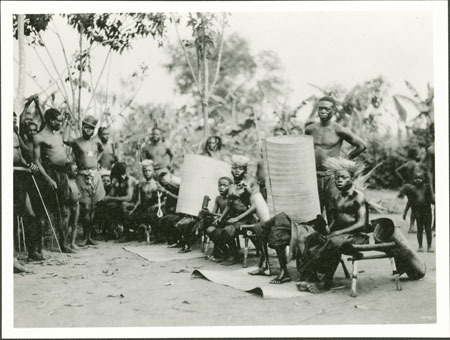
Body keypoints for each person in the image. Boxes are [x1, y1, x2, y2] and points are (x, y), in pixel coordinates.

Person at [296, 157, 369, 293]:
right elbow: (336, 221)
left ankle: (325, 282)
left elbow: (362, 223)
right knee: (313, 238)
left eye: (343, 177)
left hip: (357, 236)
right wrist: (326, 231)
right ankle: (311, 276)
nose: (339, 180)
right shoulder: (337, 198)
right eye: (336, 178)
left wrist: (337, 233)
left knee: (334, 242)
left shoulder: (359, 197)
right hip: (340, 236)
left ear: (352, 179)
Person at [305, 96, 366, 226]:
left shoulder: (339, 130)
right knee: (313, 214)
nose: (322, 111)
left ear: (333, 110)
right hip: (313, 176)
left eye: (326, 109)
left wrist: (343, 162)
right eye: (320, 108)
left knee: (334, 211)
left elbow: (361, 145)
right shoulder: (310, 129)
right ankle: (316, 243)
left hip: (332, 177)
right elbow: (303, 149)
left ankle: (334, 241)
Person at [33, 108, 73, 253]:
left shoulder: (57, 136)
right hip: (50, 173)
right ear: (50, 120)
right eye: (59, 121)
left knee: (65, 209)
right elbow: (36, 161)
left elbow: (66, 140)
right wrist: (48, 179)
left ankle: (64, 244)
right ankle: (41, 246)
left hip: (62, 174)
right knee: (48, 210)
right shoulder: (39, 137)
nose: (60, 123)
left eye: (62, 121)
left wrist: (68, 122)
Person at [63, 115, 105, 246]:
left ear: (93, 130)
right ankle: (83, 237)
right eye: (86, 128)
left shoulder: (96, 142)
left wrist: (96, 162)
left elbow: (101, 151)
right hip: (82, 176)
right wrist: (67, 124)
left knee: (93, 208)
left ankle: (89, 237)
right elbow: (64, 139)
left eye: (91, 129)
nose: (88, 131)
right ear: (82, 128)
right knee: (85, 207)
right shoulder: (76, 142)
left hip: (95, 176)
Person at [218, 155, 259, 266]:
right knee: (215, 229)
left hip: (246, 218)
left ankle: (234, 256)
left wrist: (237, 218)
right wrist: (221, 217)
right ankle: (231, 251)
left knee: (227, 230)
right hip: (233, 216)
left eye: (240, 168)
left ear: (244, 171)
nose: (237, 171)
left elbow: (254, 207)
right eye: (235, 168)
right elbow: (229, 205)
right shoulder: (231, 186)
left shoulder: (247, 185)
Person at [14, 112, 42, 264]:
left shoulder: (29, 140)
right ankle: (16, 254)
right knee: (22, 214)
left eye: (34, 129)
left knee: (33, 215)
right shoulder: (19, 137)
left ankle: (33, 251)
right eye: (28, 129)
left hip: (27, 178)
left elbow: (23, 155)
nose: (32, 132)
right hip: (18, 178)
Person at [103, 162, 138, 242]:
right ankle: (112, 230)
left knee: (123, 205)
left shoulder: (130, 180)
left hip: (135, 203)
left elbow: (129, 198)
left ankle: (127, 234)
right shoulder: (117, 180)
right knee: (107, 205)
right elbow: (110, 194)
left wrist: (111, 198)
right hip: (123, 202)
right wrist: (114, 185)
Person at [128, 160, 162, 241]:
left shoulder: (157, 185)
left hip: (154, 209)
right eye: (145, 171)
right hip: (143, 208)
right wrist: (134, 208)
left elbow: (164, 200)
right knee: (130, 216)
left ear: (153, 172)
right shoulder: (141, 185)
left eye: (149, 170)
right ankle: (138, 233)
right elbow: (139, 200)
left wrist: (156, 206)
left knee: (154, 218)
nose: (147, 172)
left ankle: (155, 234)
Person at [402, 170, 434, 252]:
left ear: (423, 179)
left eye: (420, 178)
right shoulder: (412, 189)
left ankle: (429, 246)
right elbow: (409, 202)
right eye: (416, 178)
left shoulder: (427, 188)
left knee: (428, 230)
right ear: (413, 180)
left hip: (427, 211)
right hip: (418, 212)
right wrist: (405, 212)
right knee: (419, 229)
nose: (418, 180)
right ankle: (420, 246)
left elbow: (431, 199)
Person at [203, 177, 233, 260]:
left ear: (230, 187)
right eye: (220, 185)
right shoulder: (218, 198)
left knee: (219, 232)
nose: (221, 187)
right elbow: (214, 213)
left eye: (224, 185)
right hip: (220, 221)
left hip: (229, 221)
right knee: (209, 229)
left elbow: (229, 214)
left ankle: (224, 252)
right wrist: (208, 213)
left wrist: (218, 216)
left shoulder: (231, 198)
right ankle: (223, 249)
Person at [396, 147, 421, 233]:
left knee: (411, 202)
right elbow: (417, 176)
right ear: (416, 155)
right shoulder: (415, 164)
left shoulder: (407, 163)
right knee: (414, 207)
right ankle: (411, 227)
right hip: (412, 186)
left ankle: (405, 214)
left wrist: (403, 178)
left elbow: (397, 171)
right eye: (418, 154)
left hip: (406, 186)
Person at [64, 162, 81, 250]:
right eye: (74, 171)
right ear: (68, 171)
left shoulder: (75, 180)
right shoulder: (65, 181)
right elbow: (66, 194)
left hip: (76, 203)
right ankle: (65, 243)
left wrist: (79, 195)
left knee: (75, 224)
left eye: (76, 170)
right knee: (66, 224)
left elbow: (76, 191)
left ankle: (72, 243)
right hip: (68, 204)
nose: (76, 172)